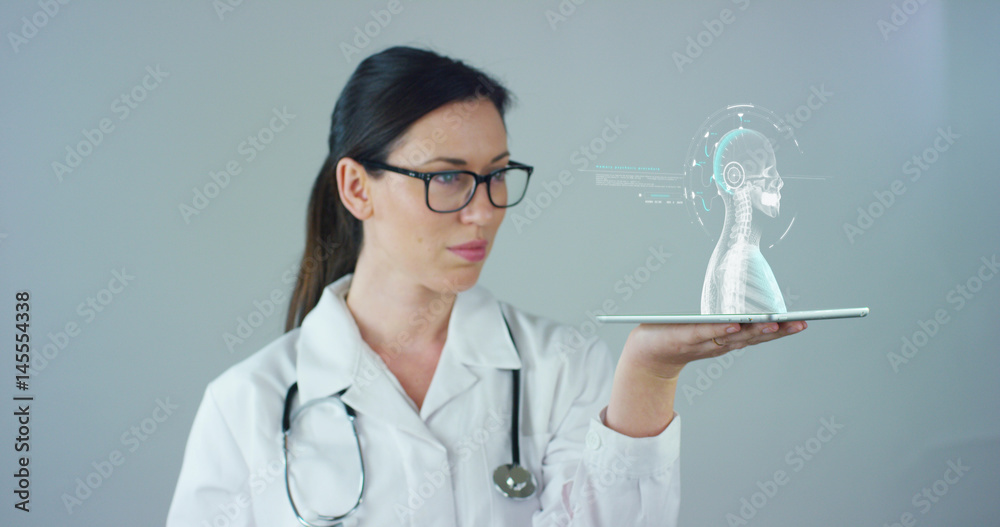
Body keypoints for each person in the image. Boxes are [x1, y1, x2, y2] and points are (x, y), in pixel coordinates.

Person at [166, 46, 807, 526]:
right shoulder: (244, 408)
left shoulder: (562, 368)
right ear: (358, 188)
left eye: (498, 175)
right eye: (448, 178)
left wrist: (648, 373)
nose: (484, 210)